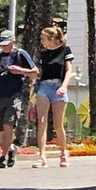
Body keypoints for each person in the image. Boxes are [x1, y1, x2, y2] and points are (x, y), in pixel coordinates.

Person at [0, 30, 38, 169]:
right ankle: (11, 150)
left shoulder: (20, 54)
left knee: (8, 125)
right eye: (2, 44)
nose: (3, 47)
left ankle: (3, 157)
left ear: (13, 42)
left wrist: (20, 70)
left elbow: (35, 72)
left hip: (15, 95)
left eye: (6, 44)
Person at [32, 24, 74, 169]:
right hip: (44, 86)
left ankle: (63, 153)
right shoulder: (42, 53)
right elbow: (38, 71)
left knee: (58, 124)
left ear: (51, 38)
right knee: (41, 121)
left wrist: (64, 86)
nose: (41, 41)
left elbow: (69, 71)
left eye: (43, 38)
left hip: (58, 86)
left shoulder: (65, 51)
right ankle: (41, 156)